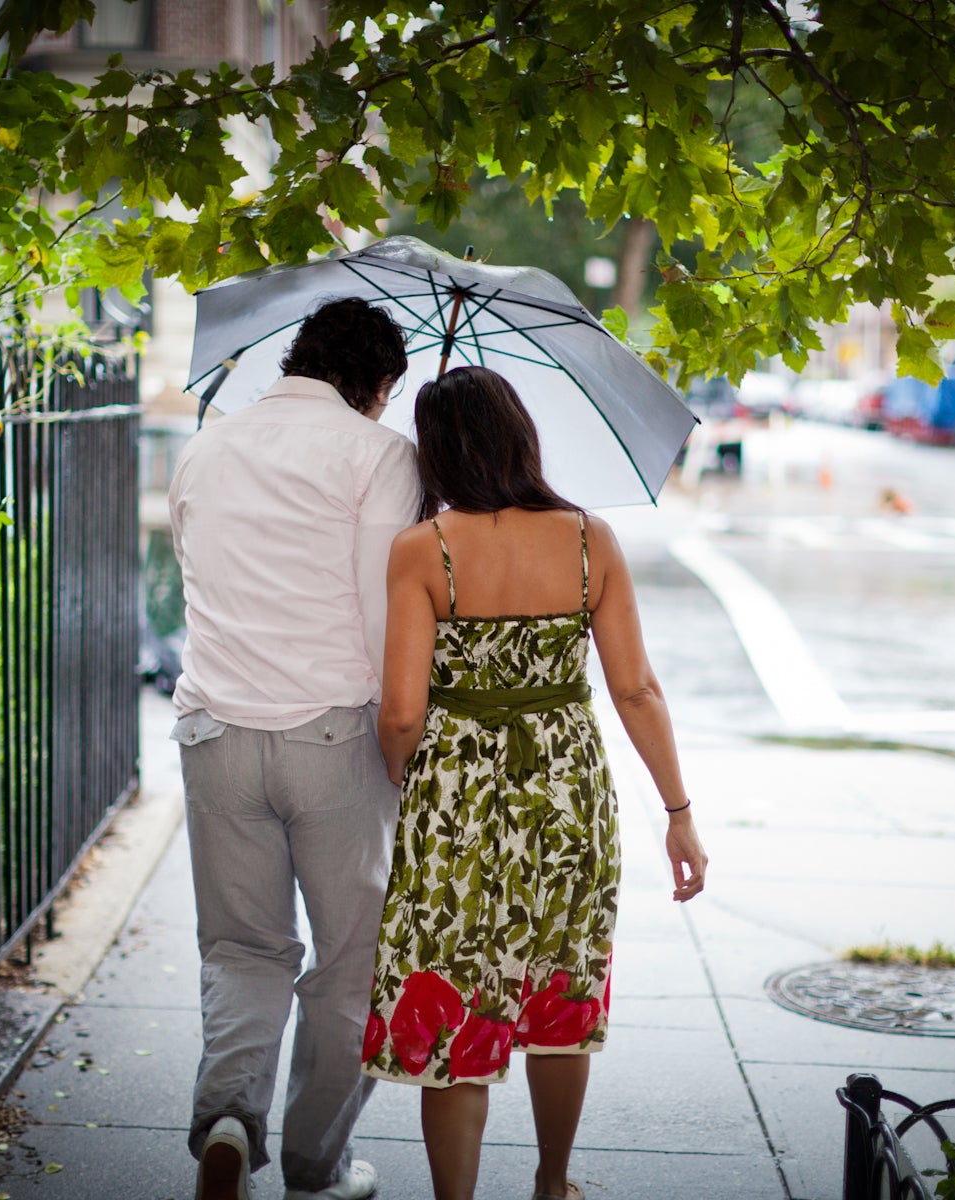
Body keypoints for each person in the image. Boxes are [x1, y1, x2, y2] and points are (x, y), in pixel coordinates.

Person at [361, 365, 709, 1200]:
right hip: (564, 795)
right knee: (561, 989)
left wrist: (409, 779)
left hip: (455, 801)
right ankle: (554, 1184)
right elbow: (636, 690)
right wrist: (679, 813)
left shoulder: (423, 549)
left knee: (454, 997)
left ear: (437, 452)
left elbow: (402, 712)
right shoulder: (592, 541)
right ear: (521, 434)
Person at [166, 297, 419, 1200]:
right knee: (351, 960)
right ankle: (315, 1164)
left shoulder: (205, 446)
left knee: (241, 950)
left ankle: (230, 1118)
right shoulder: (378, 452)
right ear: (376, 384)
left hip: (214, 731)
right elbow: (385, 611)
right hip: (333, 736)